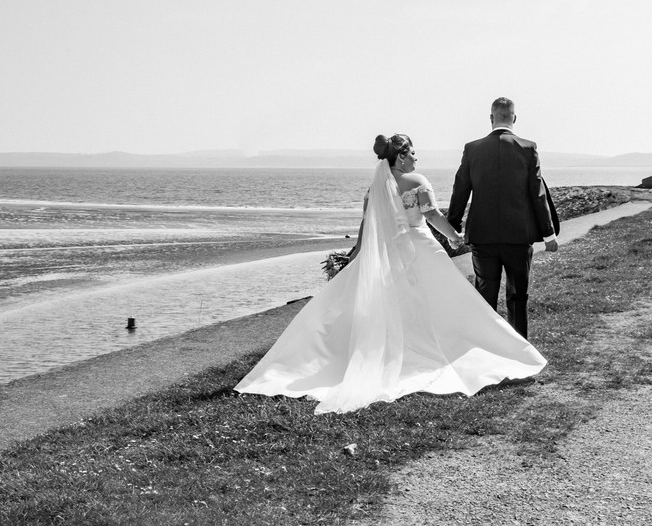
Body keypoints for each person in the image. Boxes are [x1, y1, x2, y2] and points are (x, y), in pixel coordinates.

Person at [234, 133, 546, 414]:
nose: (416, 158)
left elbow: (367, 224)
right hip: (419, 248)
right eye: (412, 153)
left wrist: (358, 253)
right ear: (401, 156)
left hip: (388, 253)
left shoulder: (376, 187)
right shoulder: (416, 180)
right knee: (447, 302)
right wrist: (454, 236)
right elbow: (431, 214)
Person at [447, 98, 558, 340]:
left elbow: (460, 190)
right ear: (514, 118)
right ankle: (520, 349)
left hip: (482, 236)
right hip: (519, 236)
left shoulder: (472, 148)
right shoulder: (528, 148)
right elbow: (537, 193)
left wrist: (452, 228)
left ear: (491, 118)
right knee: (518, 296)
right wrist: (549, 233)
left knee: (485, 295)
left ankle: (487, 346)